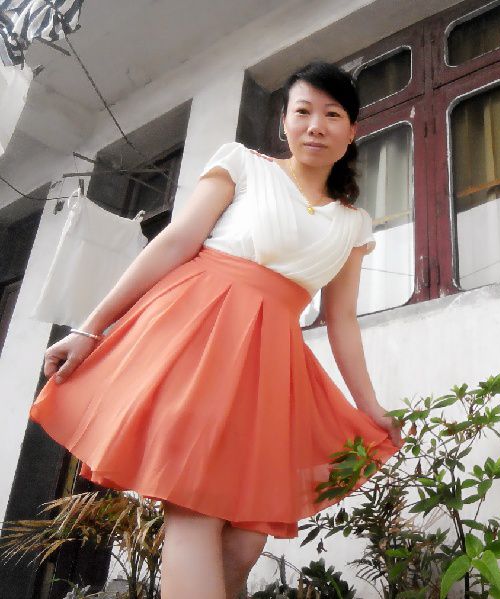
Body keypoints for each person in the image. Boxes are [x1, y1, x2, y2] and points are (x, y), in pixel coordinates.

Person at [28, 61, 403, 599]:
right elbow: (175, 242)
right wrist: (90, 329)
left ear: (351, 132)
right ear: (284, 122)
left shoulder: (352, 225)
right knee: (196, 510)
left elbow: (341, 320)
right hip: (201, 335)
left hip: (269, 364)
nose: (315, 125)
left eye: (332, 114)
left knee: (246, 540)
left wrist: (370, 406)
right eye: (303, 111)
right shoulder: (243, 165)